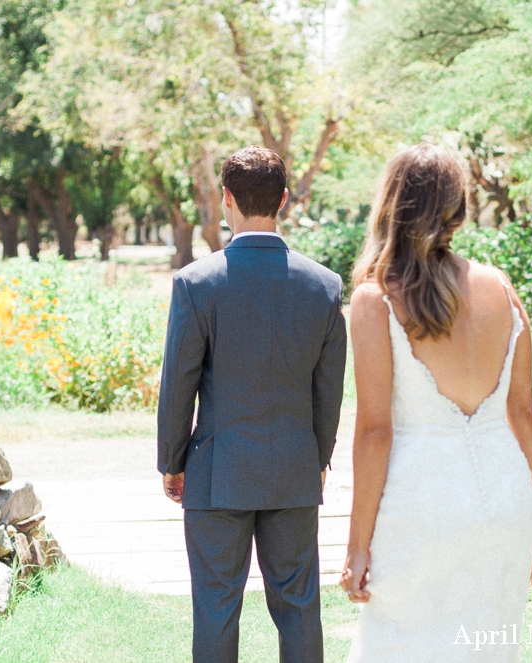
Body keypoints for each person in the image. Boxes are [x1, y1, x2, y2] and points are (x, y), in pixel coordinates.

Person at [340, 144, 532, 661]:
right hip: (505, 502)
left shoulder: (377, 299)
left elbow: (374, 432)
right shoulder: (500, 286)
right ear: (457, 206)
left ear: (392, 203)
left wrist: (358, 545)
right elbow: (523, 414)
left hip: (420, 504)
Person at [157, 145, 347, 663]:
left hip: (217, 473)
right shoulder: (325, 287)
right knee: (300, 606)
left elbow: (178, 385)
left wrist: (173, 463)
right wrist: (320, 459)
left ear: (226, 200)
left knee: (216, 608)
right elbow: (329, 392)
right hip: (293, 469)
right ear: (284, 199)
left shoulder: (195, 283)